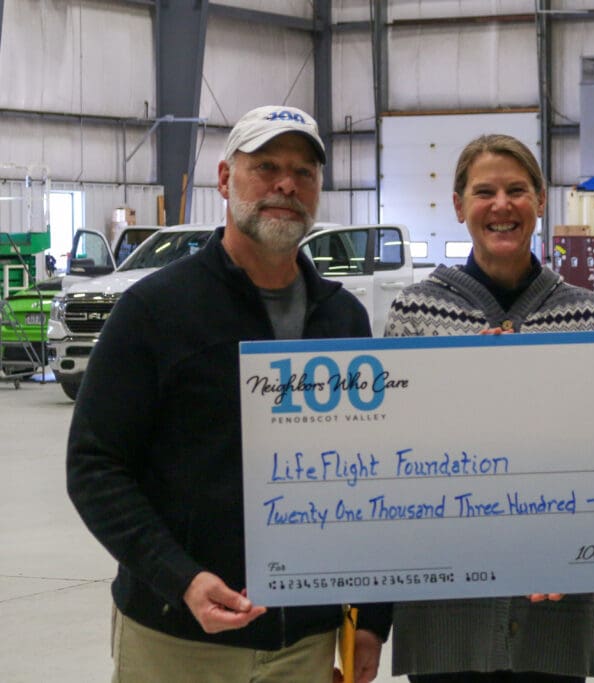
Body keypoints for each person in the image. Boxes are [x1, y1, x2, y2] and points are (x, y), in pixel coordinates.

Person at [66, 105, 389, 683]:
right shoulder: (154, 311)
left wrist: (371, 617)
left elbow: (368, 478)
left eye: (304, 172)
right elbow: (95, 465)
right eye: (265, 166)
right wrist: (180, 577)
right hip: (179, 639)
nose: (286, 184)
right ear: (224, 179)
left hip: (306, 644)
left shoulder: (343, 320)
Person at [384, 133, 594, 682]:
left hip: (553, 605)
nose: (502, 205)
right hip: (445, 606)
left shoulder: (587, 315)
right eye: (484, 191)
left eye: (517, 190)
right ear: (459, 205)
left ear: (540, 200)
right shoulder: (416, 310)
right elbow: (395, 452)